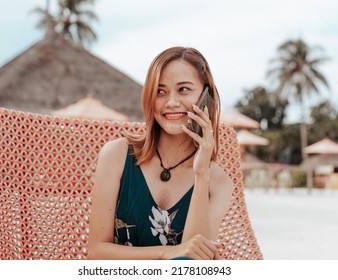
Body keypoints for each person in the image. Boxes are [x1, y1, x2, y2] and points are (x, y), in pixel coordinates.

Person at [87, 47, 234, 260]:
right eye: (160, 91)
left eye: (183, 89)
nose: (171, 102)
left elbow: (194, 265)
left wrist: (201, 174)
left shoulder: (218, 181)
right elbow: (97, 253)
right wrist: (168, 252)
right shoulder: (116, 156)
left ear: (206, 96)